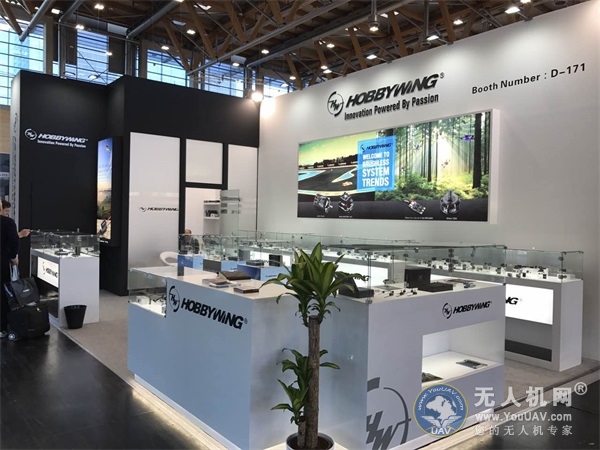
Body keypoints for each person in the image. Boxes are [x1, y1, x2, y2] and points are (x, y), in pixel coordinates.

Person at [1, 213, 19, 338]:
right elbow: (14, 241)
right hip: (2, 263)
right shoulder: (7, 222)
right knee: (2, 295)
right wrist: (13, 257)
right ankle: (2, 327)